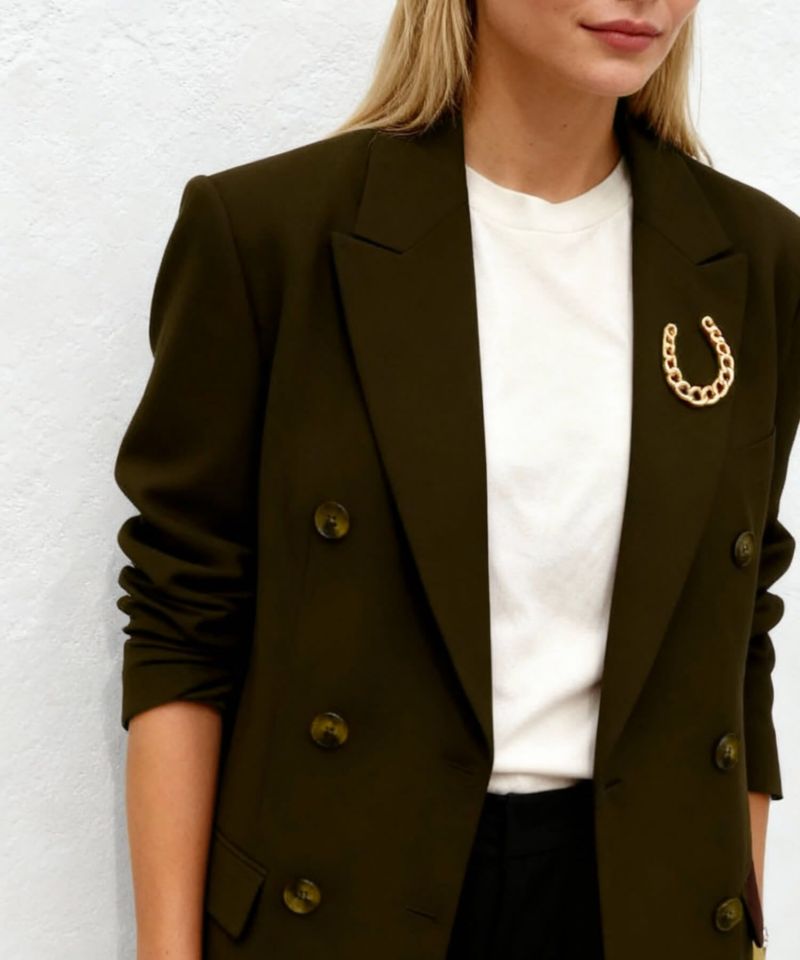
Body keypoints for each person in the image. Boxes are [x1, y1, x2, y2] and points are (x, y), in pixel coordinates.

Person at [113, 2, 800, 958]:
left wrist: (737, 920)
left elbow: (736, 630)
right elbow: (183, 619)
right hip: (349, 899)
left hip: (639, 908)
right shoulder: (270, 236)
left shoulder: (754, 258)